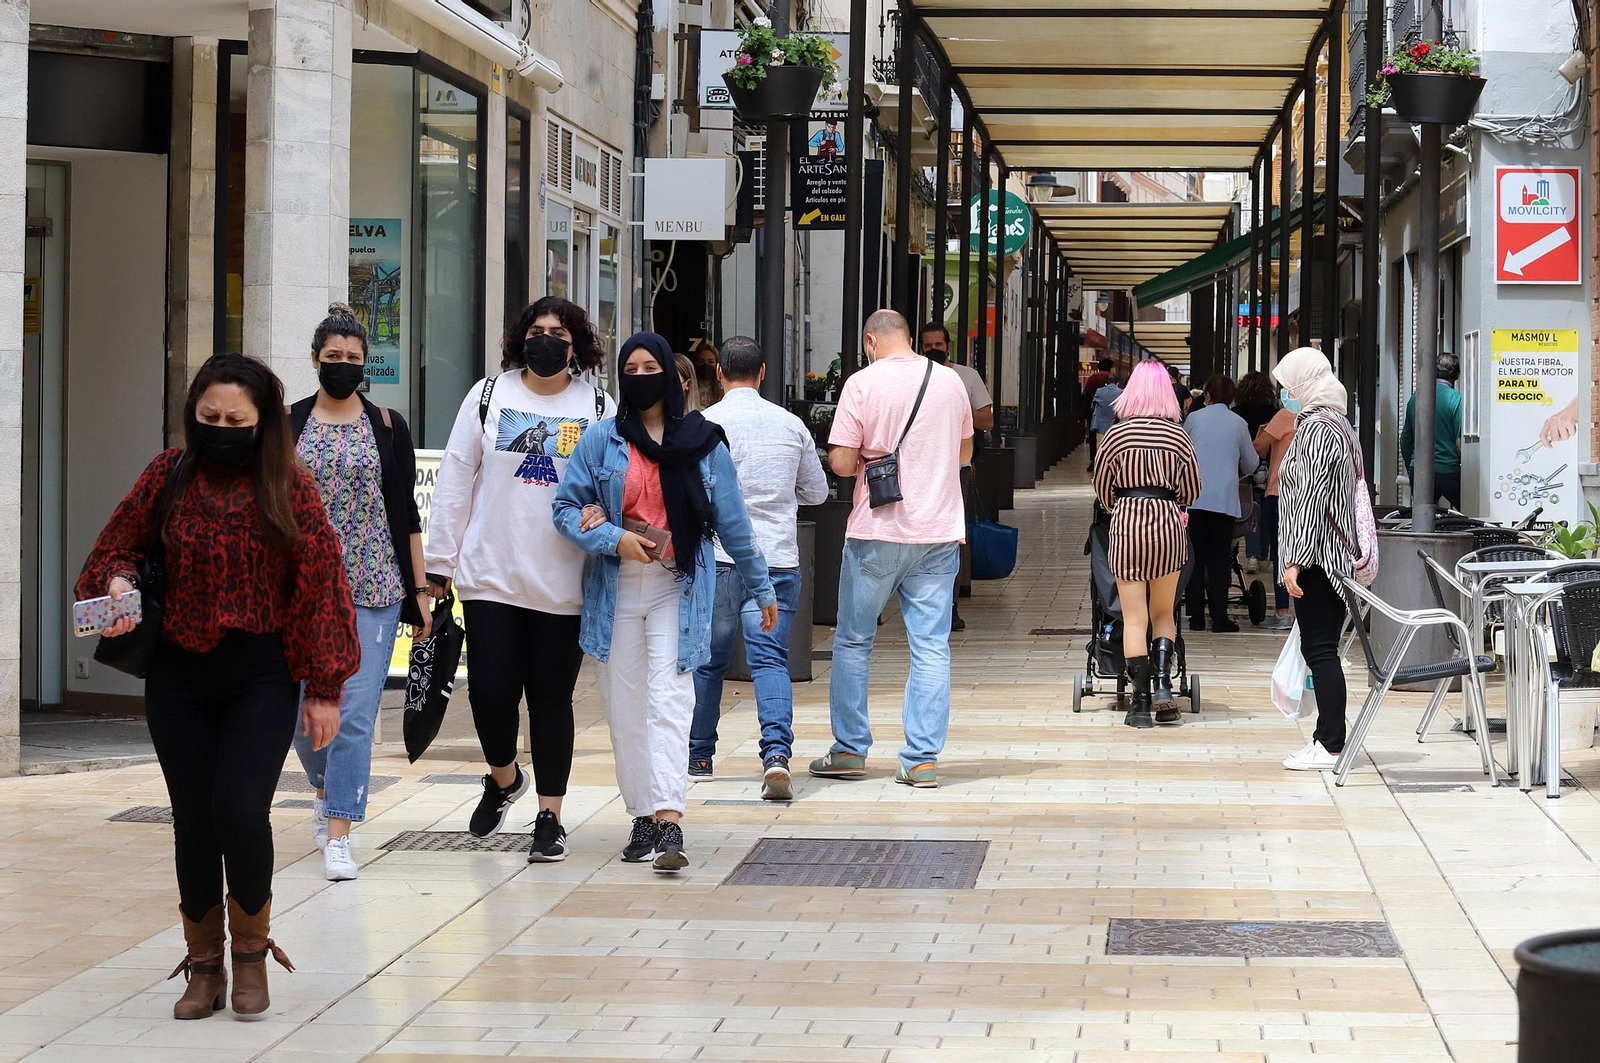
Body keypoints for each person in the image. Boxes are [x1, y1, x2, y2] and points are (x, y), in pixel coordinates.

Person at [78, 353, 359, 1020]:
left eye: (237, 419)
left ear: (263, 422)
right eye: (209, 417)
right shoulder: (166, 475)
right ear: (193, 415)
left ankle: (252, 955)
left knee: (238, 808)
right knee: (194, 819)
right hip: (178, 672)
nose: (222, 428)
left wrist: (324, 685)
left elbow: (322, 584)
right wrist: (117, 579)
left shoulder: (290, 485)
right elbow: (110, 549)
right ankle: (202, 964)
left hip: (259, 671)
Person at [554, 332, 775, 872]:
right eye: (630, 366)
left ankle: (671, 820)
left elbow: (734, 523)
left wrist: (762, 584)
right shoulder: (602, 440)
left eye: (650, 365)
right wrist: (611, 538)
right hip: (616, 588)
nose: (640, 375)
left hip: (680, 586)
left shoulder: (705, 442)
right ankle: (644, 816)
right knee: (626, 710)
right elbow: (566, 507)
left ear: (677, 380)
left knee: (670, 702)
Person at [425, 296, 616, 862]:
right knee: (489, 694)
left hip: (564, 582)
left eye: (559, 331)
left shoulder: (599, 406)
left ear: (576, 344)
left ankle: (550, 817)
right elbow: (457, 478)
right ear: (520, 339)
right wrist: (439, 564)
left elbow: (614, 482)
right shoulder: (487, 396)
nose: (547, 339)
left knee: (551, 701)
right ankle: (504, 777)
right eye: (537, 330)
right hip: (491, 576)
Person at [288, 305, 431, 882]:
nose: (343, 366)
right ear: (316, 360)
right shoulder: (288, 421)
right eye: (333, 357)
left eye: (353, 358)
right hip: (300, 590)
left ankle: (341, 829)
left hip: (374, 585)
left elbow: (405, 514)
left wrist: (420, 592)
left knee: (353, 714)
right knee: (301, 710)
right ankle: (326, 787)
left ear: (366, 362)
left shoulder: (388, 426)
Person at [812, 309, 972, 789]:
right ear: (909, 338)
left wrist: (869, 454)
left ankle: (849, 750)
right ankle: (921, 759)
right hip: (940, 532)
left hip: (877, 532)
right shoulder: (949, 382)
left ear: (870, 341)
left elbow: (840, 463)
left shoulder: (862, 384)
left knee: (854, 641)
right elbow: (964, 453)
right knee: (930, 647)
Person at [685, 336, 829, 797]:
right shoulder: (791, 425)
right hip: (779, 561)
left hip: (722, 561)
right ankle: (776, 756)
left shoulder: (703, 424)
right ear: (763, 373)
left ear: (720, 375)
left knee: (709, 661)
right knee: (771, 661)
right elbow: (818, 493)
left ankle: (700, 754)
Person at [1093, 360, 1200, 728]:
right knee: (1163, 614)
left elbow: (1102, 486)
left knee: (1134, 618)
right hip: (1168, 525)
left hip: (1126, 524)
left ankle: (1139, 705)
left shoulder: (1116, 435)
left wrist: (1119, 505)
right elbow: (1192, 490)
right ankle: (1164, 688)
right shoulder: (1178, 435)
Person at [1273, 347, 1358, 771]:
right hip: (1329, 555)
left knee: (1320, 650)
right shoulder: (1338, 423)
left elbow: (1310, 497)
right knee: (1320, 649)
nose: (1285, 394)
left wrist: (1294, 559)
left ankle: (1329, 743)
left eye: (1288, 387)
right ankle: (1326, 739)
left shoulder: (1319, 430)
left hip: (1318, 560)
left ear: (1305, 385)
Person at [919, 322, 993, 631]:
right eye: (927, 345)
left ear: (948, 346)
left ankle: (949, 603)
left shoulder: (967, 377)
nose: (933, 349)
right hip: (919, 467)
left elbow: (987, 419)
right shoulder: (913, 378)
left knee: (951, 536)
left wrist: (958, 407)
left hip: (957, 468)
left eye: (939, 344)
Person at [1183, 374, 1259, 634]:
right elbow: (1251, 463)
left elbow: (1183, 452)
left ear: (1207, 395)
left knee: (1194, 558)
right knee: (1219, 560)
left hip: (1194, 498)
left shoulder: (1193, 419)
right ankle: (1220, 617)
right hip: (1225, 501)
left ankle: (1195, 617)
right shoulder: (1239, 423)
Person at [1254, 389, 1297, 630]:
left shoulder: (1285, 414)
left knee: (1280, 553)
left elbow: (1259, 448)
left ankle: (1282, 611)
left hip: (1279, 492)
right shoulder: (1316, 415)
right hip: (1306, 494)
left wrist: (1263, 428)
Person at [1401, 351, 1464, 510]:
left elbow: (1406, 441)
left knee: (1423, 518)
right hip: (1449, 470)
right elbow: (1459, 443)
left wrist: (1412, 466)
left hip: (1420, 470)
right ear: (1456, 375)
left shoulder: (1416, 398)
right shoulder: (1456, 399)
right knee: (1468, 513)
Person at [1082, 357, 1113, 470]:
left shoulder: (1093, 378)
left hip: (1094, 411)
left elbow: (1086, 394)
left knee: (1093, 436)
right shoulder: (1111, 378)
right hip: (1110, 412)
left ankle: (1094, 459)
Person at [1088, 373, 1123, 469]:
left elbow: (1093, 406)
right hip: (1115, 425)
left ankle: (1100, 465)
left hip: (1100, 425)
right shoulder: (1121, 392)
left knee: (1100, 446)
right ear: (1117, 382)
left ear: (1106, 383)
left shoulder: (1099, 391)